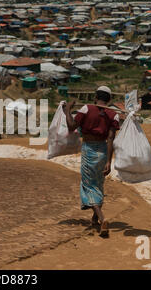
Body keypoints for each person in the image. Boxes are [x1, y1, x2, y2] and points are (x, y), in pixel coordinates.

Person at [63, 86, 120, 238]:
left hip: (88, 149)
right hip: (102, 151)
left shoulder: (86, 109)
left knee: (88, 186)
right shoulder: (113, 115)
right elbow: (111, 139)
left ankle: (102, 219)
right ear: (109, 100)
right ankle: (94, 219)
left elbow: (71, 126)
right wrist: (108, 161)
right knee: (98, 184)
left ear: (95, 98)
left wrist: (67, 110)